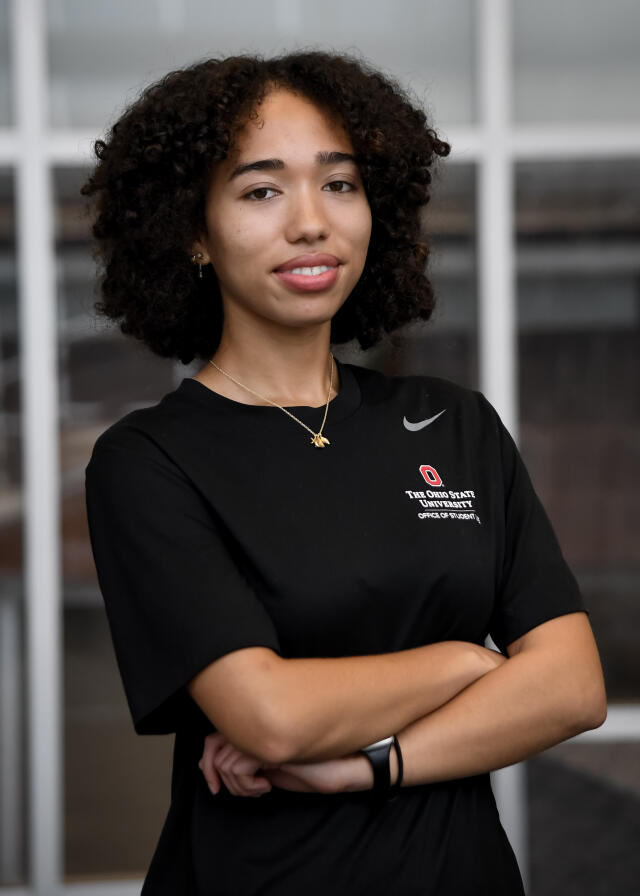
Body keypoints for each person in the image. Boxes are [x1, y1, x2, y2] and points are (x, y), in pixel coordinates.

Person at [81, 49, 607, 895]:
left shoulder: (454, 423)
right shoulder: (150, 461)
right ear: (192, 233)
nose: (311, 222)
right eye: (261, 190)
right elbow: (272, 717)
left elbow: (575, 686)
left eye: (339, 183)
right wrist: (469, 664)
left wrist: (372, 764)